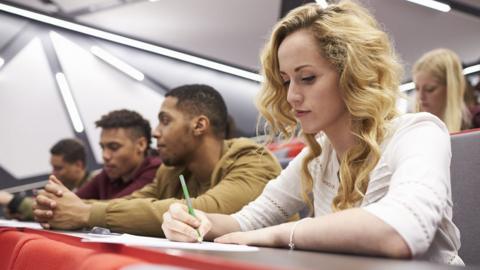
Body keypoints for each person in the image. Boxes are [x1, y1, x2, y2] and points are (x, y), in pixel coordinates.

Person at [161, 1, 463, 265]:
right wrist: (198, 222)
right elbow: (247, 220)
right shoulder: (318, 155)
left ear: (353, 75)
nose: (291, 96)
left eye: (307, 78)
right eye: (285, 81)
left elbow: (401, 231)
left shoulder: (419, 133)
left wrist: (282, 235)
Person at [32, 84, 281, 237]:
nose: (155, 132)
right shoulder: (171, 172)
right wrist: (64, 207)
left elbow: (206, 210)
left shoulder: (253, 159)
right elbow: (125, 204)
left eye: (165, 120)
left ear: (199, 125)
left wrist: (85, 213)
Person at [74, 109, 161, 200]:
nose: (105, 156)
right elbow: (74, 200)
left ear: (141, 144)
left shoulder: (156, 171)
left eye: (114, 147)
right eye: (102, 147)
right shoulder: (108, 175)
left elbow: (117, 208)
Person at [0, 138, 93, 220]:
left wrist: (13, 201)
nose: (53, 173)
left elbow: (61, 210)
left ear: (78, 165)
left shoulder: (95, 186)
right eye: (53, 168)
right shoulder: (67, 188)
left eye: (58, 168)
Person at [413, 48, 471, 132]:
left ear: (451, 89)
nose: (420, 96)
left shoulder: (475, 123)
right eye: (417, 89)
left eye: (430, 89)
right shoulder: (414, 130)